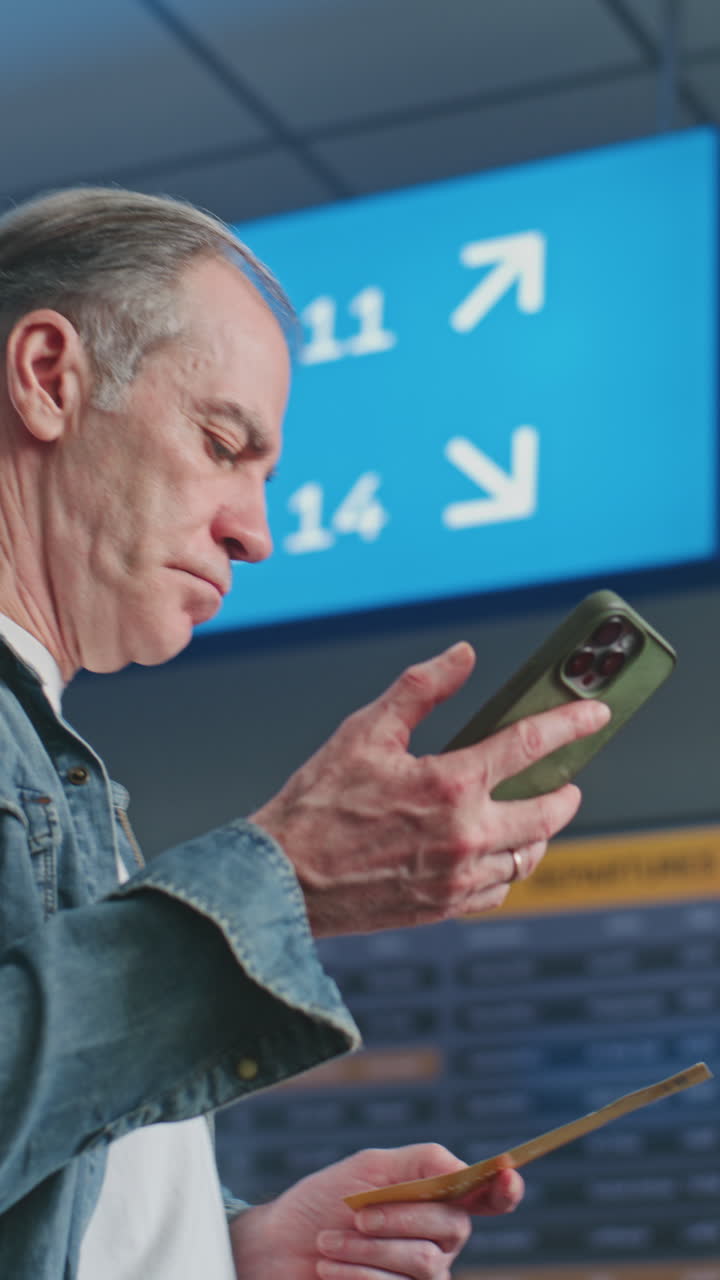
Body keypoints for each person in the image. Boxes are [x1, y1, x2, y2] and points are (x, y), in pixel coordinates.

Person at [0, 187, 609, 1279]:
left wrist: (224, 1243)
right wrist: (283, 875)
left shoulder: (59, 768)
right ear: (49, 378)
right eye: (222, 441)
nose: (257, 530)